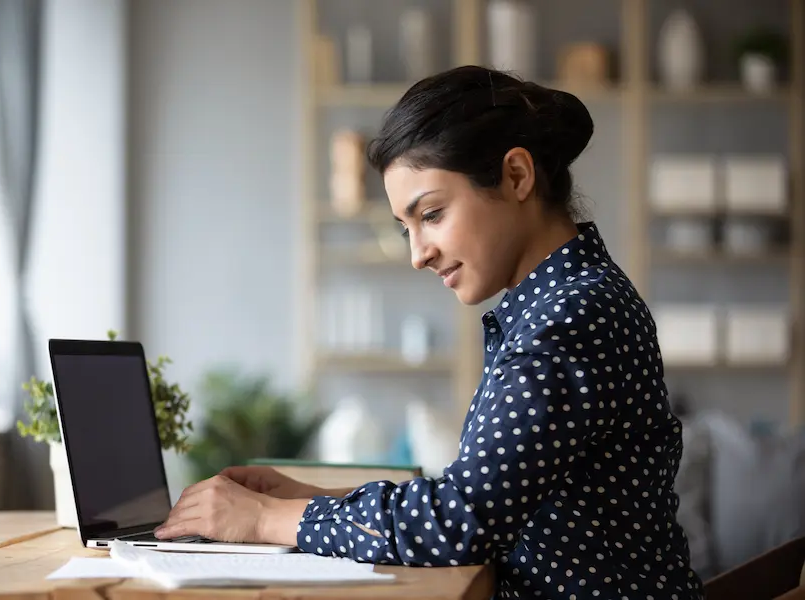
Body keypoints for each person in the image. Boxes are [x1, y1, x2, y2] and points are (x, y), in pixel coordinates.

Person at [154, 65, 705, 599]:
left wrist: (267, 519)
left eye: (432, 214)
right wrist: (313, 500)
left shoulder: (570, 317)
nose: (418, 254)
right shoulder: (559, 302)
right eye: (406, 228)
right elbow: (480, 492)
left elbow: (459, 522)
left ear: (517, 176)